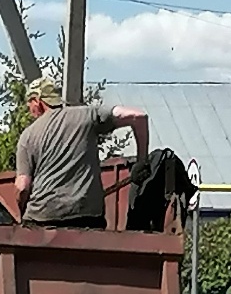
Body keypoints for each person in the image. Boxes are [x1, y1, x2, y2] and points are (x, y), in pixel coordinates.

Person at [13, 77, 148, 229]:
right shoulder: (87, 115)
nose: (30, 110)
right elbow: (138, 116)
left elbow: (22, 186)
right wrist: (141, 162)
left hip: (42, 218)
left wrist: (22, 214)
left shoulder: (27, 136)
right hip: (87, 218)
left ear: (37, 101)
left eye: (29, 104)